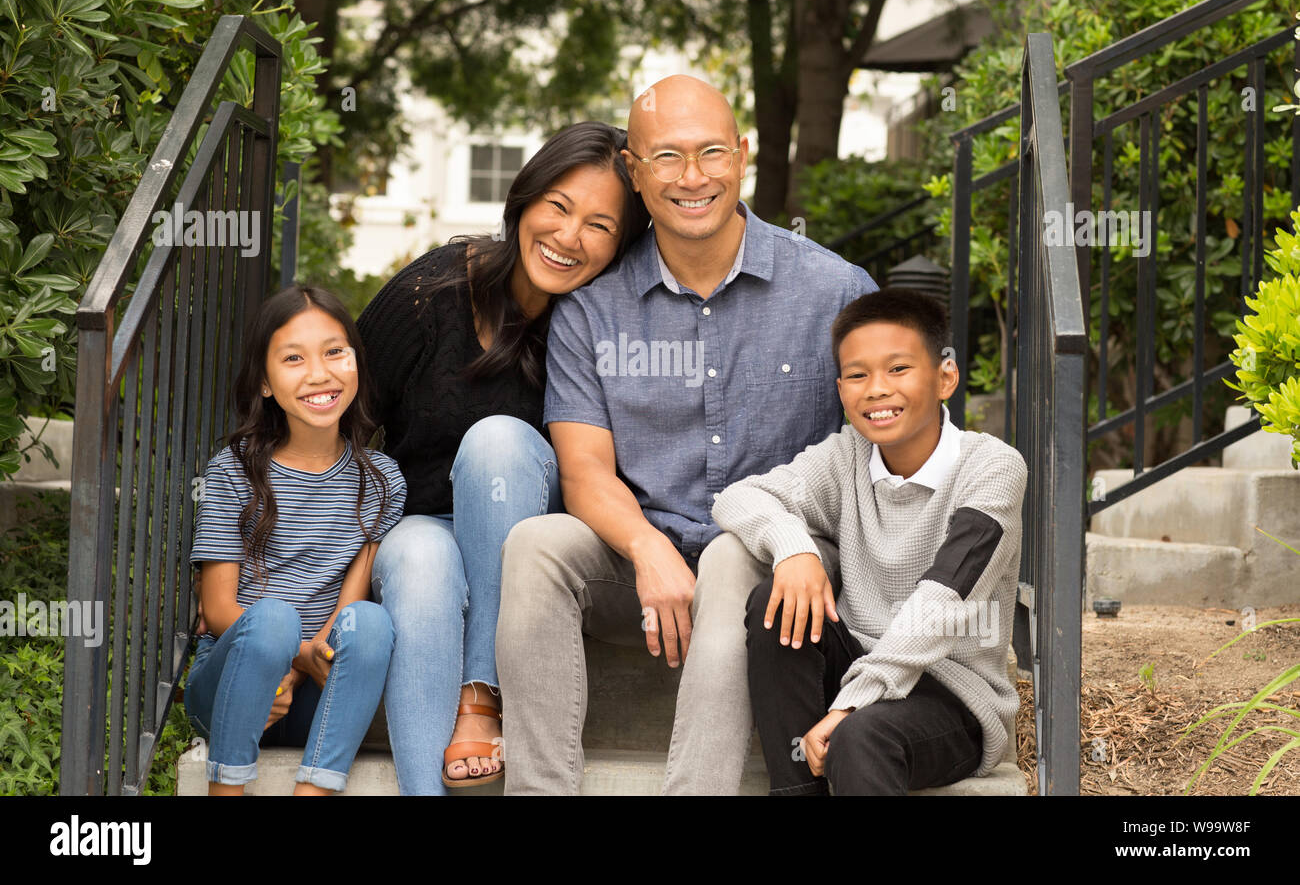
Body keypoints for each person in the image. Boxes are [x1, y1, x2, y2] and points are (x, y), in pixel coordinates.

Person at [496, 74, 878, 794]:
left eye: (711, 153)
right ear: (634, 174)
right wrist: (646, 547)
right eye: (667, 158)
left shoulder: (833, 292)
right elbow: (583, 473)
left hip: (780, 567)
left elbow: (877, 460)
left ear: (743, 154)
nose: (693, 177)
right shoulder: (592, 308)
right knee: (535, 543)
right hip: (644, 568)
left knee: (736, 552)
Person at [355, 121, 650, 792]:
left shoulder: (615, 325)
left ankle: (482, 694)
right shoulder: (433, 292)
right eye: (559, 206)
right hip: (427, 520)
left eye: (600, 225)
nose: (570, 237)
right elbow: (346, 427)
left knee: (495, 441)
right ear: (524, 200)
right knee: (423, 564)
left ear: (623, 242)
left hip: (537, 528)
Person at [713, 288, 1027, 794]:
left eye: (898, 369)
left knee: (860, 737)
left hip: (952, 695)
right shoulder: (845, 456)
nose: (877, 389)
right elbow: (737, 498)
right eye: (858, 375)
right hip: (858, 667)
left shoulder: (992, 467)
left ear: (945, 377)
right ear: (841, 390)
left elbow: (944, 601)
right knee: (773, 598)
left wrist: (852, 701)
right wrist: (794, 547)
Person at [185, 284, 406, 795]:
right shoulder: (234, 472)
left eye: (334, 352)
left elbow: (350, 602)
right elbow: (218, 608)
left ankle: (316, 789)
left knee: (370, 622)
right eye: (293, 358)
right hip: (231, 689)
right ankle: (226, 787)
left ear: (356, 364)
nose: (319, 374)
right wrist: (287, 658)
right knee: (274, 620)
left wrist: (306, 665)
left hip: (315, 695)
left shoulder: (382, 480)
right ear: (264, 381)